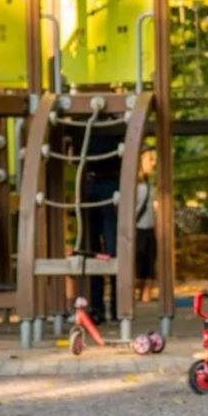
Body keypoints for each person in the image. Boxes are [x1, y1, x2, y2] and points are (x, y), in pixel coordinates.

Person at [80, 123, 123, 324]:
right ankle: (97, 307)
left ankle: (117, 307)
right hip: (90, 181)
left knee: (113, 249)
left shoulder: (115, 123)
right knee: (92, 250)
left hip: (110, 181)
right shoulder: (82, 122)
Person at [134, 148, 158, 304]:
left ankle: (146, 293)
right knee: (138, 261)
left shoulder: (151, 185)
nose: (153, 163)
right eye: (149, 159)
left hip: (149, 228)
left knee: (150, 261)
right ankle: (137, 292)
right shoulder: (134, 187)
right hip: (138, 229)